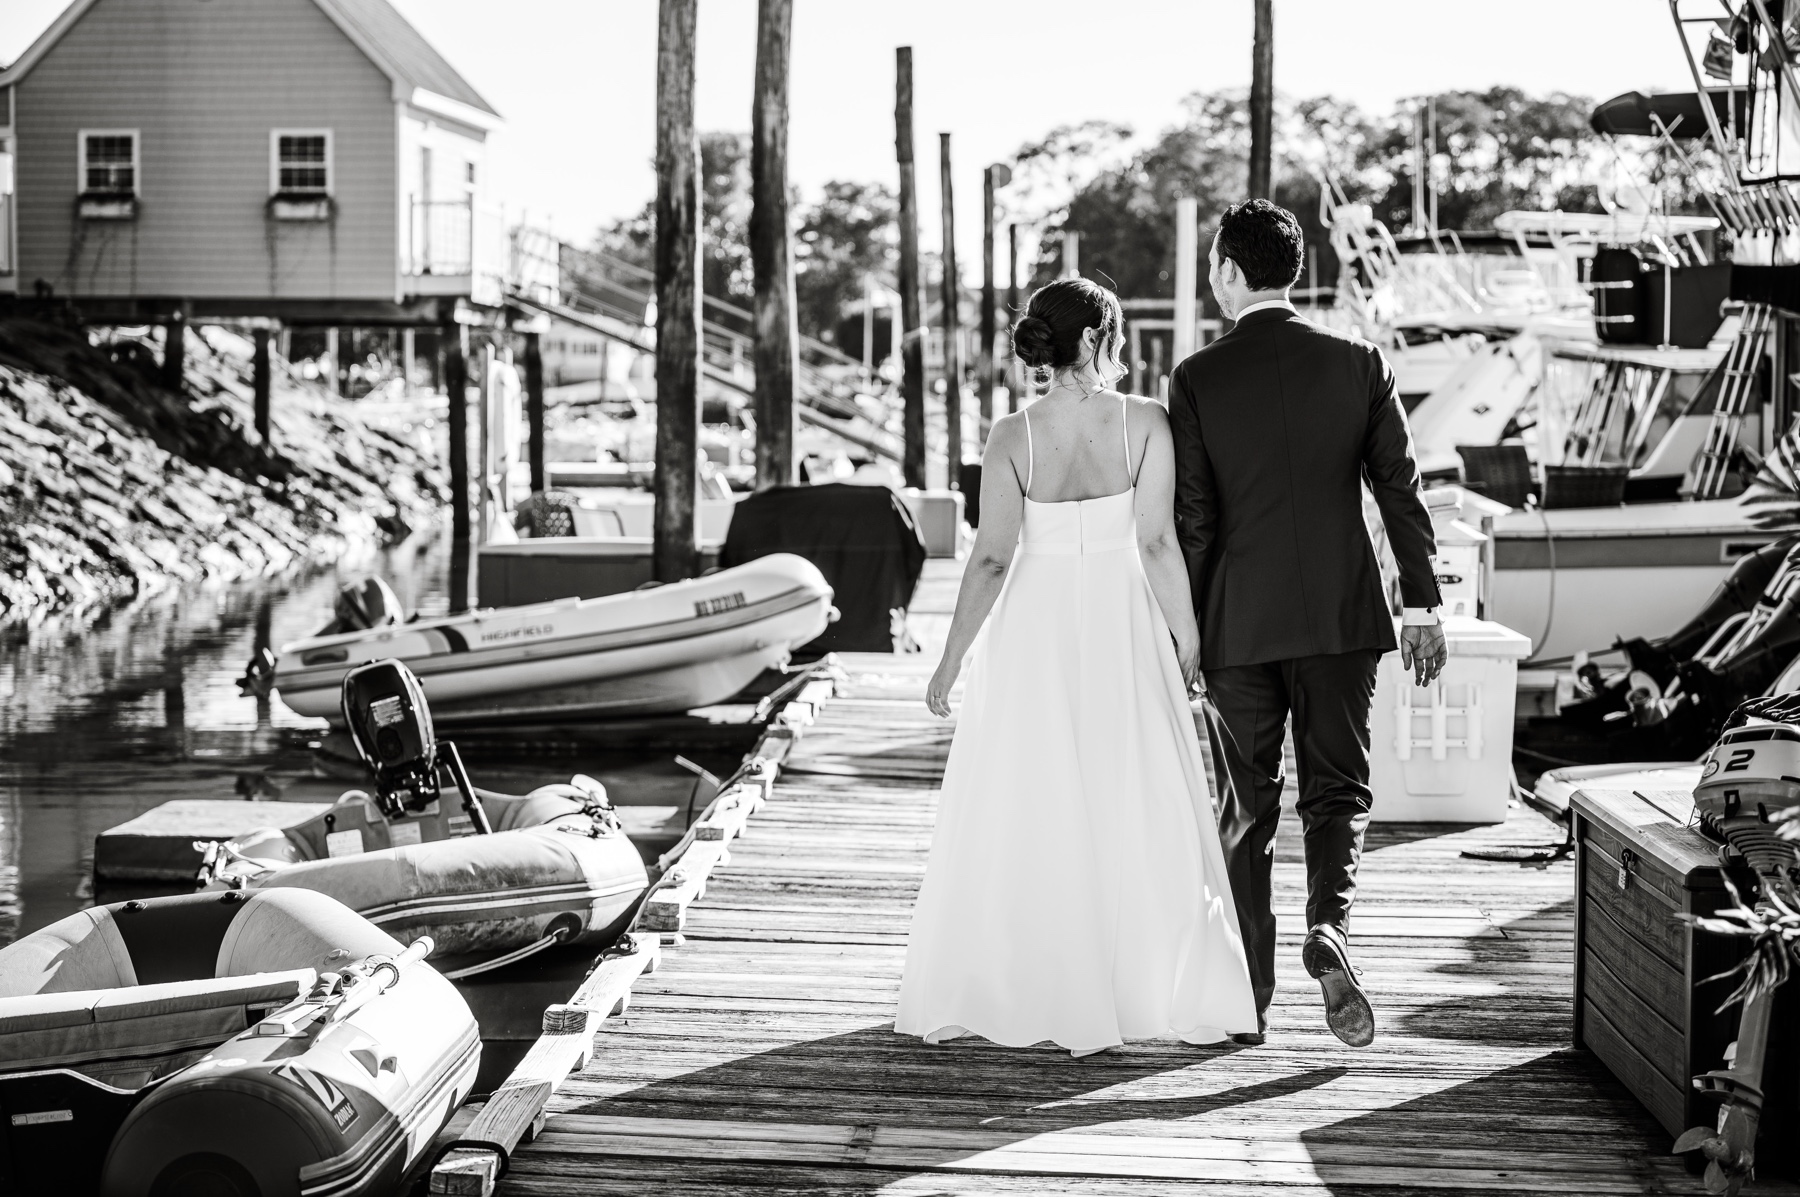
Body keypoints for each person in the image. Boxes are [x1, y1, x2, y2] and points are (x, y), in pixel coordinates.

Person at [895, 278, 1258, 1056]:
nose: (1121, 346)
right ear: (1095, 338)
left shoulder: (1010, 436)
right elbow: (1159, 544)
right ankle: (1139, 984)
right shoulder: (1146, 424)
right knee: (1134, 794)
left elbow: (991, 560)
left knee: (1034, 796)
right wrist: (1188, 638)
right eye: (1117, 333)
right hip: (1124, 620)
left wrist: (948, 664)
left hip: (1035, 626)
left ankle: (1033, 977)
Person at [1168, 199, 1446, 1049]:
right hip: (1339, 620)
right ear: (1293, 270)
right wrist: (1424, 603)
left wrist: (1184, 634)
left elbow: (1195, 523)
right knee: (1339, 792)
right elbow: (1399, 489)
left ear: (1225, 272)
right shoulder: (1358, 362)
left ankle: (1249, 993)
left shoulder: (1197, 378)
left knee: (1245, 805)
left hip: (1237, 629)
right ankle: (1330, 927)